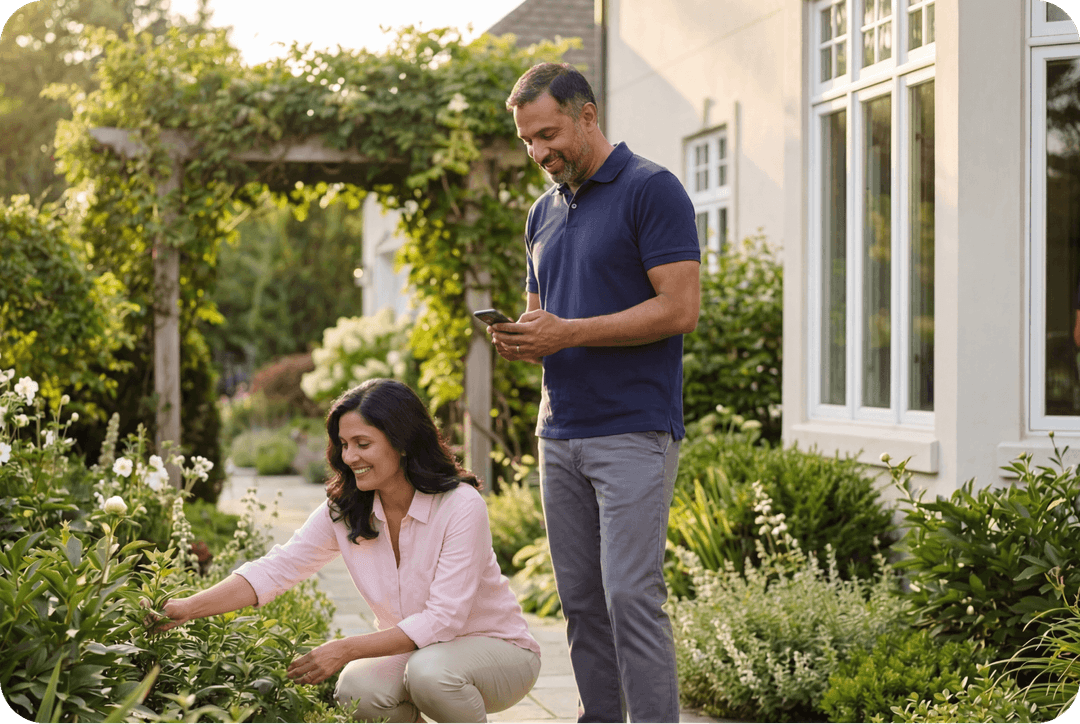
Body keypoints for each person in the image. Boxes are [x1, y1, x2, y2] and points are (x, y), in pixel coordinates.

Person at [490, 62, 701, 723]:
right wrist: (525, 338)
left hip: (633, 429)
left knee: (631, 597)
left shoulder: (651, 189)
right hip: (559, 433)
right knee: (581, 603)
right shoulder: (541, 213)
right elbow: (542, 318)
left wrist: (569, 331)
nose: (539, 152)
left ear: (587, 115)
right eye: (527, 141)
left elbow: (680, 309)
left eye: (548, 134)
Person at [148, 378, 541, 724]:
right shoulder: (347, 507)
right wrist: (187, 607)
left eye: (363, 444)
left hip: (498, 651)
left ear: (403, 442)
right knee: (358, 690)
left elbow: (443, 620)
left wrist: (344, 649)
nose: (350, 456)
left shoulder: (460, 505)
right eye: (344, 444)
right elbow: (277, 568)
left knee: (430, 674)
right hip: (419, 653)